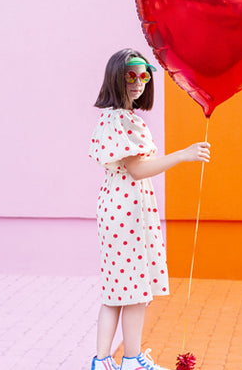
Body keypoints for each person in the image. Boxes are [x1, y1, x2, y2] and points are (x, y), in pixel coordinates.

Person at [88, 48, 210, 370]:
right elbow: (138, 169)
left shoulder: (111, 118)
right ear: (116, 77)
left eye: (144, 75)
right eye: (131, 75)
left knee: (117, 289)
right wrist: (183, 155)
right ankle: (131, 360)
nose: (139, 82)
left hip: (118, 206)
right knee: (135, 290)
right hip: (127, 210)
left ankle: (102, 362)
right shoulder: (124, 121)